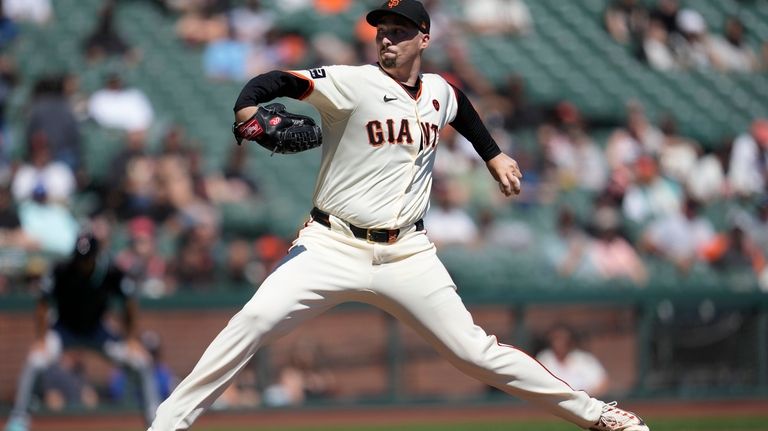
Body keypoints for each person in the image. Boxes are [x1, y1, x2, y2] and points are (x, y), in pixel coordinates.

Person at [148, 2, 650, 430]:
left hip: (408, 252)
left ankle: (598, 417)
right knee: (254, 319)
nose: (387, 40)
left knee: (474, 353)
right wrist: (245, 110)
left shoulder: (439, 90)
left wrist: (493, 155)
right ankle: (166, 424)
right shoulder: (352, 83)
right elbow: (275, 80)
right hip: (332, 244)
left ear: (423, 39)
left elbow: (463, 112)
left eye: (399, 32)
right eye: (382, 32)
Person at [3, 232, 160, 431]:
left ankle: (155, 421)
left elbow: (129, 304)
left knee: (141, 362)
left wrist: (130, 339)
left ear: (96, 256)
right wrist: (41, 339)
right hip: (64, 330)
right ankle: (19, 420)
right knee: (35, 360)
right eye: (80, 258)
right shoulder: (62, 270)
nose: (83, 263)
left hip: (98, 332)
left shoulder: (110, 271)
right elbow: (42, 304)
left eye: (87, 259)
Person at [536, 324, 610, 398]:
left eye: (563, 339)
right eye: (556, 339)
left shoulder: (584, 359)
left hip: (582, 403)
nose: (559, 343)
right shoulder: (544, 358)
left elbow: (603, 383)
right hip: (551, 403)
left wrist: (586, 399)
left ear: (571, 341)